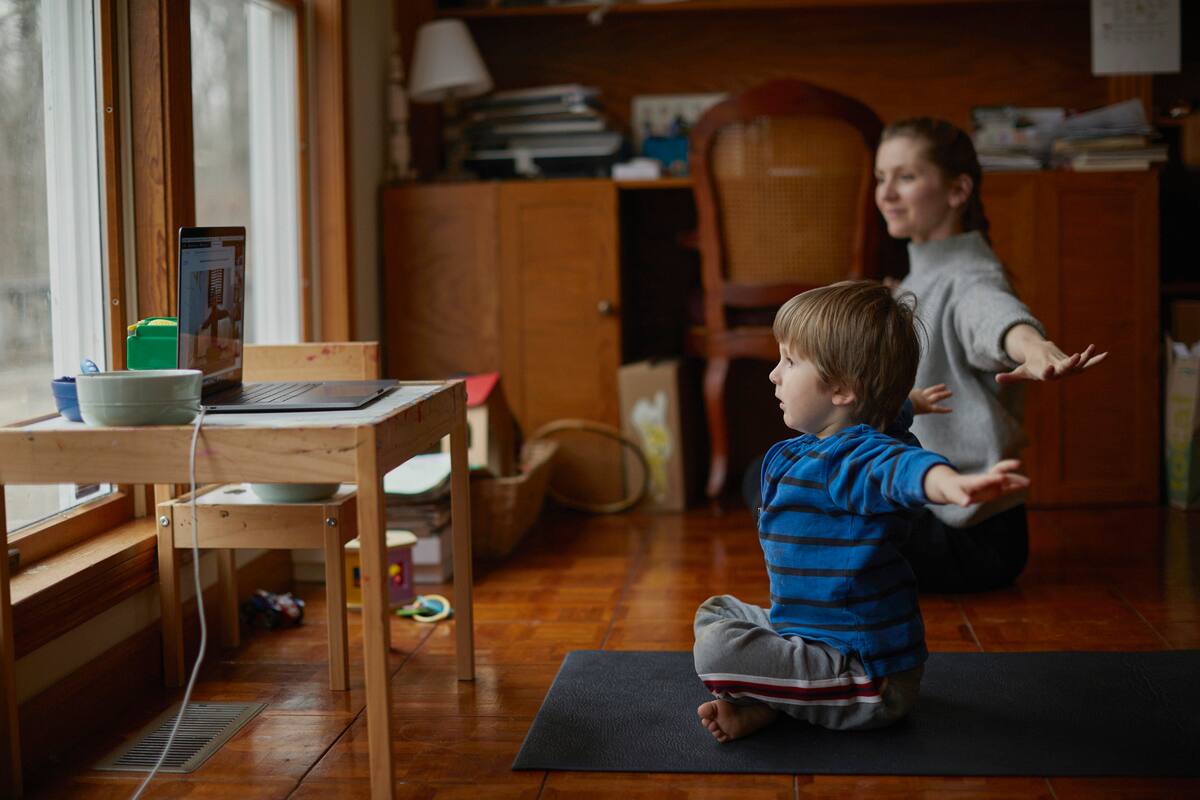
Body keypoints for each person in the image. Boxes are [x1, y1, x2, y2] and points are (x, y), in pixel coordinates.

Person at [694, 281, 1029, 742]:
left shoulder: (855, 459)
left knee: (715, 651)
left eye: (790, 362)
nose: (774, 374)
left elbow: (899, 466)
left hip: (866, 676)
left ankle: (772, 701)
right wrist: (909, 402)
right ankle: (769, 706)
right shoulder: (841, 433)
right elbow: (883, 417)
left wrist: (950, 485)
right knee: (715, 613)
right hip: (811, 634)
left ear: (843, 391)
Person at [875, 117, 1105, 592]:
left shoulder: (971, 277)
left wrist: (1036, 347)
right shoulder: (924, 274)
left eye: (907, 177)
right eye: (881, 178)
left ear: (958, 190)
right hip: (934, 511)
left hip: (971, 537)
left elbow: (995, 316)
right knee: (778, 475)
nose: (887, 193)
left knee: (792, 493)